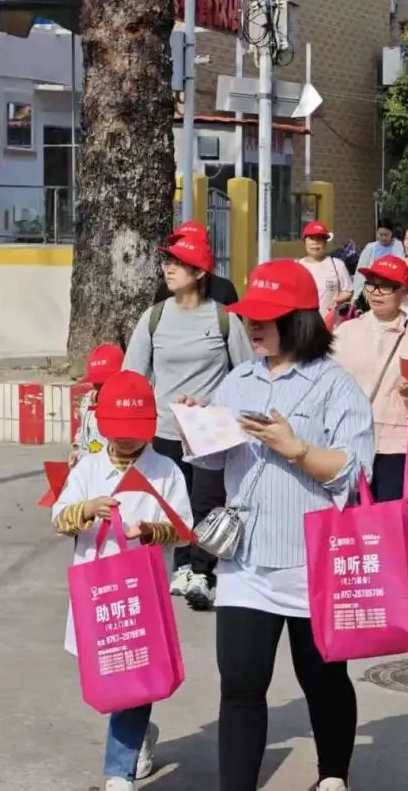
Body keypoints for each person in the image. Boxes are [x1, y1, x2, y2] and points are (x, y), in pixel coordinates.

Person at [185, 260, 374, 791]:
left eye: (267, 317)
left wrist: (296, 449)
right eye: (250, 316)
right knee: (241, 685)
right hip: (246, 562)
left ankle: (333, 775)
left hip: (313, 564)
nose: (254, 326)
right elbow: (213, 463)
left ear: (299, 320)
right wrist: (200, 424)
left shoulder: (333, 386)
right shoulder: (236, 382)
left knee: (323, 678)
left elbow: (356, 473)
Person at [51, 370, 194, 791]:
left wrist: (151, 531)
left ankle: (119, 770)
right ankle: (138, 734)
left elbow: (183, 528)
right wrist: (86, 509)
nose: (128, 441)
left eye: (135, 432)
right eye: (119, 432)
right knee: (111, 676)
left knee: (134, 676)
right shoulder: (88, 469)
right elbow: (58, 518)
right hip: (99, 594)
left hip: (142, 593)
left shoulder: (165, 470)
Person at [123, 232, 253, 610]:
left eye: (178, 264)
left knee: (207, 502)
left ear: (199, 272)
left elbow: (246, 374)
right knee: (172, 503)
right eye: (167, 262)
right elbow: (132, 375)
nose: (168, 269)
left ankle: (203, 572)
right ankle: (180, 566)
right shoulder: (154, 317)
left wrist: (214, 404)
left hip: (209, 430)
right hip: (165, 430)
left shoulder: (224, 318)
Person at [333, 255, 408, 501]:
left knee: (387, 516)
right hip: (348, 440)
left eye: (385, 286)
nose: (376, 293)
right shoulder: (346, 332)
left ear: (403, 292)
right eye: (371, 285)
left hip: (395, 443)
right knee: (349, 515)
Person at [70, 343, 124, 464]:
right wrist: (76, 448)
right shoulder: (87, 399)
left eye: (105, 382)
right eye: (97, 382)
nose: (100, 387)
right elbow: (81, 428)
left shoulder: (123, 405)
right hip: (85, 462)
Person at [296, 220, 353, 320]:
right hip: (303, 324)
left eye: (319, 239)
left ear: (325, 242)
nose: (315, 243)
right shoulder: (296, 266)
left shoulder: (337, 265)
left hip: (331, 323)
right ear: (304, 242)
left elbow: (348, 291)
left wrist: (337, 300)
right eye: (311, 238)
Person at [352, 217, 405, 296]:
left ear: (391, 233)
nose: (383, 238)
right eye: (381, 234)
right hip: (372, 288)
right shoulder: (370, 247)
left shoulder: (397, 246)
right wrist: (357, 294)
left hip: (390, 287)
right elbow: (360, 270)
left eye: (386, 235)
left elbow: (400, 266)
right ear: (377, 233)